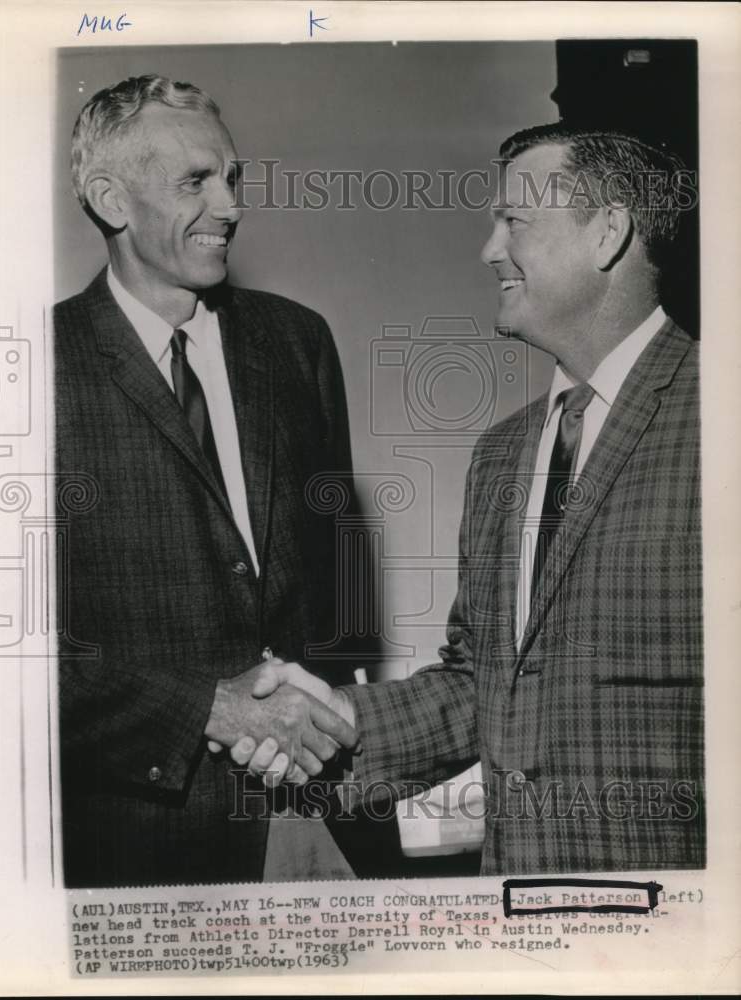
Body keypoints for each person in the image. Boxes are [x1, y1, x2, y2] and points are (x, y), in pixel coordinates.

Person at [234, 123, 704, 875]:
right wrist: (337, 714)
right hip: (518, 921)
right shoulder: (503, 454)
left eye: (516, 220)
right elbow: (479, 684)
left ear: (608, 233)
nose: (490, 249)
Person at [54, 74, 359, 888]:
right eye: (195, 181)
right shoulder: (29, 371)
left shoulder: (299, 345)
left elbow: (336, 587)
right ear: (110, 200)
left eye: (233, 178)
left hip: (315, 822)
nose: (229, 206)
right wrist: (207, 709)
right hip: (137, 852)